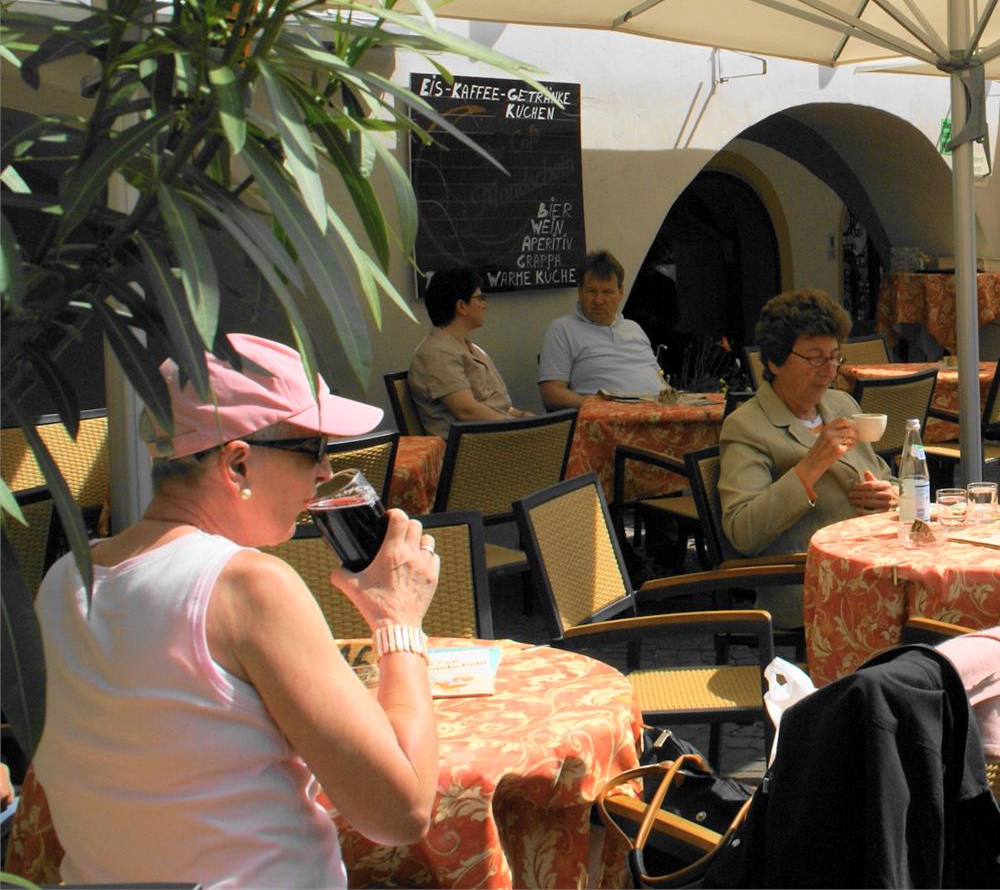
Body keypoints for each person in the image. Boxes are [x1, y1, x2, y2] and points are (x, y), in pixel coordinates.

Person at [33, 335, 441, 888]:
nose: (325, 471)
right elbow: (401, 812)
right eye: (313, 448)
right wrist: (399, 623)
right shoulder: (247, 588)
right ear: (238, 465)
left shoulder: (61, 583)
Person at [718, 289, 897, 618]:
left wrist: (890, 495)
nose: (829, 370)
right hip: (815, 586)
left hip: (876, 567)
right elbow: (743, 532)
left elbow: (885, 476)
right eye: (815, 358)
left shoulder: (840, 404)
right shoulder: (747, 426)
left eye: (834, 357)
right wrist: (811, 465)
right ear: (774, 360)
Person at [408, 268, 533, 438]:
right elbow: (467, 411)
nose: (485, 305)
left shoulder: (472, 349)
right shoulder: (436, 353)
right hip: (469, 453)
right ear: (462, 306)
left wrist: (521, 416)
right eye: (480, 298)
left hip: (495, 438)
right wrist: (521, 428)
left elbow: (493, 405)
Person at [537, 249, 665, 408]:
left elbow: (659, 379)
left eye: (606, 292)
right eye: (591, 291)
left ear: (620, 293)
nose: (598, 300)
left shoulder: (634, 328)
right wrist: (597, 406)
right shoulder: (562, 329)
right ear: (580, 291)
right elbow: (551, 394)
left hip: (659, 415)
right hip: (608, 422)